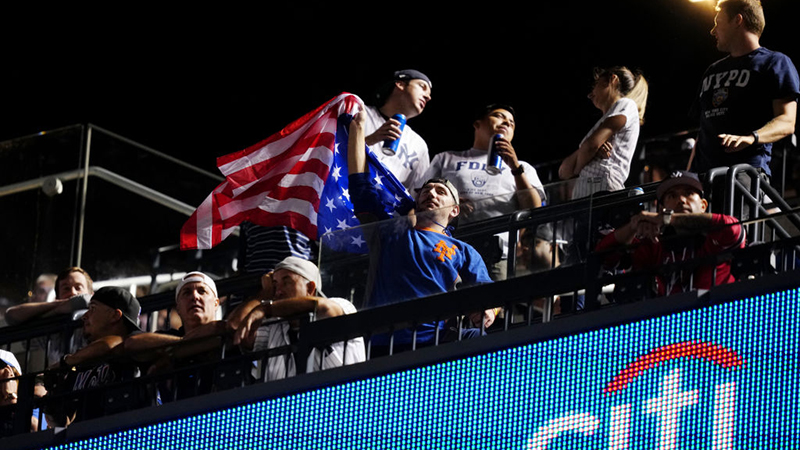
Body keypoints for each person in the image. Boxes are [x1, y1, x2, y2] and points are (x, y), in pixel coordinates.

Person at [348, 111, 494, 350]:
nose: (431, 193)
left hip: (435, 341)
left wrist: (489, 308)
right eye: (426, 190)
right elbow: (360, 185)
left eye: (441, 192)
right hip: (383, 343)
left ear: (454, 211)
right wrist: (357, 132)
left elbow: (485, 289)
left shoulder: (464, 251)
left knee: (478, 342)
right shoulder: (391, 232)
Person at [421, 103, 545, 280]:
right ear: (477, 124)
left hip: (498, 253)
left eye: (511, 122)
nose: (507, 122)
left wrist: (515, 167)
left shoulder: (523, 167)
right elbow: (420, 197)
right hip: (448, 247)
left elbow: (534, 207)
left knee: (492, 304)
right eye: (499, 116)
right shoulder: (447, 158)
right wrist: (450, 205)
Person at [688, 0, 799, 180]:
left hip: (744, 176)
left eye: (718, 22)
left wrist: (751, 138)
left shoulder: (774, 62)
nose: (713, 30)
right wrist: (687, 177)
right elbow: (702, 132)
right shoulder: (712, 71)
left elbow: (787, 121)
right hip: (703, 178)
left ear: (738, 20)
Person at [595, 171, 746, 299]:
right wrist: (633, 225)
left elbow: (734, 230)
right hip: (672, 325)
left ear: (703, 205)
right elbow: (604, 256)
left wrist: (669, 219)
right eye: (672, 196)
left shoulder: (715, 236)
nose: (681, 200)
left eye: (689, 193)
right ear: (661, 209)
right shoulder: (655, 243)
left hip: (720, 319)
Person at [233, 256, 365, 380]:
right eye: (275, 286)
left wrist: (266, 308)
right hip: (288, 403)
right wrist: (263, 295)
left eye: (286, 283)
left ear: (310, 288)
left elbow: (324, 307)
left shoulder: (341, 304)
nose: (278, 292)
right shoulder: (275, 325)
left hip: (340, 399)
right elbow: (236, 326)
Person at [43, 287, 143, 428]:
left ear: (115, 315)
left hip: (122, 434)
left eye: (93, 309)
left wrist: (65, 361)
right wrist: (52, 402)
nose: (85, 316)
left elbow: (112, 344)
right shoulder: (82, 362)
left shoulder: (135, 345)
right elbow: (61, 425)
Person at [123, 272, 230, 402]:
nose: (194, 297)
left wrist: (172, 352)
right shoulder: (169, 336)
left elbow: (221, 328)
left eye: (202, 291)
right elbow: (132, 343)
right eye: (187, 293)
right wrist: (183, 344)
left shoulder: (227, 330)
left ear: (215, 303)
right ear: (178, 307)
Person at [559, 66, 649, 199]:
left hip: (601, 189)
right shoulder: (600, 123)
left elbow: (591, 146)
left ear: (612, 79)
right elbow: (563, 171)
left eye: (596, 84)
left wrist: (578, 168)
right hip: (586, 193)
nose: (590, 94)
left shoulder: (626, 104)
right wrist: (587, 151)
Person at [5, 267, 94, 372]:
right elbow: (11, 316)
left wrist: (56, 310)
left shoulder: (95, 315)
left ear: (90, 293)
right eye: (66, 288)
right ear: (57, 296)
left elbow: (83, 301)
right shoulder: (54, 328)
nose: (73, 292)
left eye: (78, 287)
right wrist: (59, 306)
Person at [363, 69, 433, 192]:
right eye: (422, 87)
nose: (428, 97)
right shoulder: (358, 112)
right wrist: (371, 139)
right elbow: (329, 151)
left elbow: (418, 193)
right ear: (400, 84)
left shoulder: (419, 145)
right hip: (339, 199)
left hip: (385, 209)